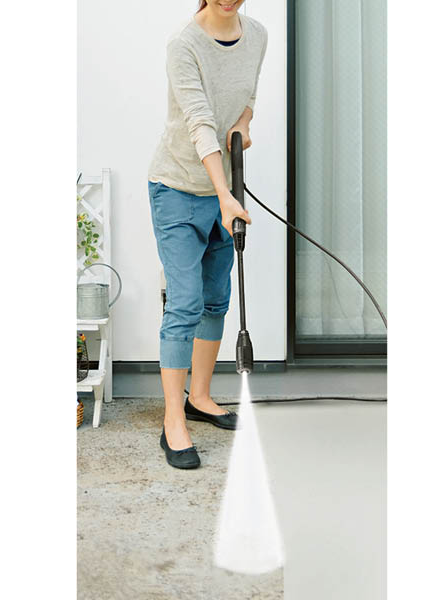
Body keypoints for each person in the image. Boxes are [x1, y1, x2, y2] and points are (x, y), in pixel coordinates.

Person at [147, 0, 268, 469]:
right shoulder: (184, 45)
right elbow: (199, 122)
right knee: (185, 303)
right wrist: (224, 194)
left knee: (216, 299)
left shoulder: (257, 35)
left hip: (224, 192)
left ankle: (198, 397)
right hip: (177, 188)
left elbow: (247, 98)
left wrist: (243, 124)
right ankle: (173, 420)